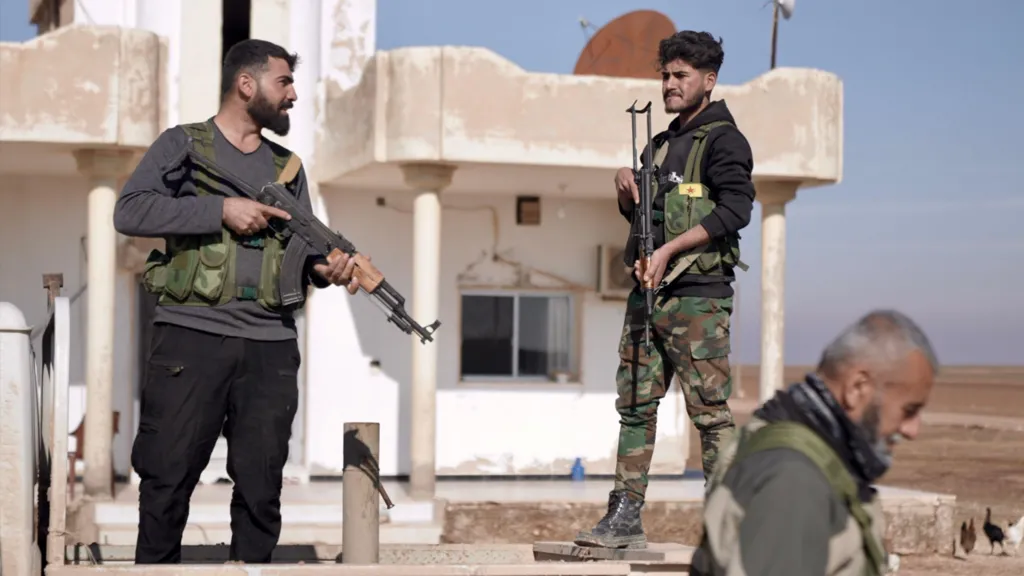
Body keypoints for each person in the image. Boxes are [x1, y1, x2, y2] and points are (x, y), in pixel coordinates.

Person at [113, 39, 362, 564]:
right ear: (246, 85)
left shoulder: (288, 168)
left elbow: (304, 252)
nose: (293, 95)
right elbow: (131, 212)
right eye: (284, 82)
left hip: (270, 344)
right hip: (191, 336)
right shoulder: (182, 145)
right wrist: (220, 210)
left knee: (262, 486)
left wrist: (329, 269)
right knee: (167, 477)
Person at [575, 31, 755, 549]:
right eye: (666, 75)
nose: (670, 85)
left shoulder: (723, 140)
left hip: (698, 296)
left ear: (708, 80)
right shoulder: (658, 144)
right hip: (648, 295)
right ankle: (625, 516)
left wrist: (671, 251)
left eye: (681, 76)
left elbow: (736, 209)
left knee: (710, 413)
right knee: (634, 406)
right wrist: (626, 192)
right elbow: (647, 223)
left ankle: (727, 525)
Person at [689, 310, 938, 576]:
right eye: (909, 410)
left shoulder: (808, 455)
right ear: (857, 388)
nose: (913, 429)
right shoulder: (794, 482)